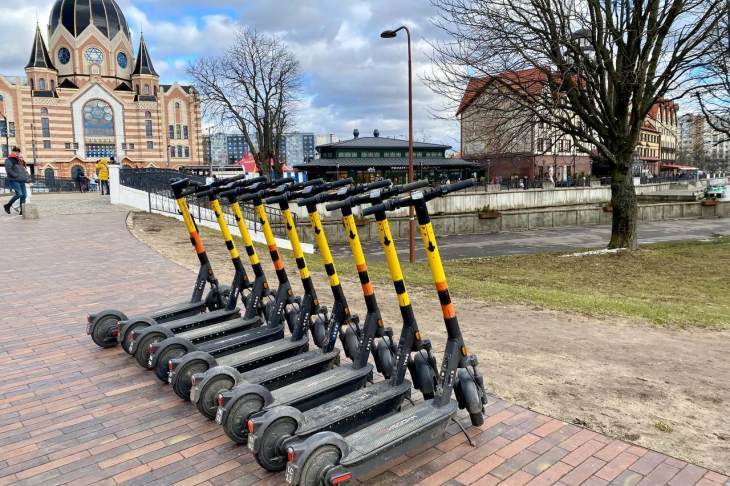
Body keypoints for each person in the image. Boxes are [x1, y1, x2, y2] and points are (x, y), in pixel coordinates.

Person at [3, 147, 29, 215]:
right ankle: (8, 205)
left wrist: (25, 177)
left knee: (24, 195)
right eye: (16, 152)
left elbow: (23, 170)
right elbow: (8, 169)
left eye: (18, 152)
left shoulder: (19, 160)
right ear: (12, 152)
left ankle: (22, 210)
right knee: (19, 194)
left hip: (21, 180)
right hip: (14, 180)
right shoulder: (9, 159)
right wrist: (15, 175)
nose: (17, 153)